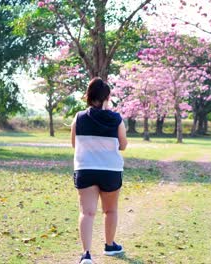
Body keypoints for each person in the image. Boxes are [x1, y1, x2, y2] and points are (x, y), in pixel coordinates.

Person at [71, 77, 128, 264]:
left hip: (85, 168)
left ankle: (86, 255)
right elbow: (123, 145)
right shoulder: (116, 119)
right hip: (110, 170)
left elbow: (74, 143)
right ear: (107, 97)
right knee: (110, 210)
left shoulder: (79, 118)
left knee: (87, 212)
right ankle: (110, 245)